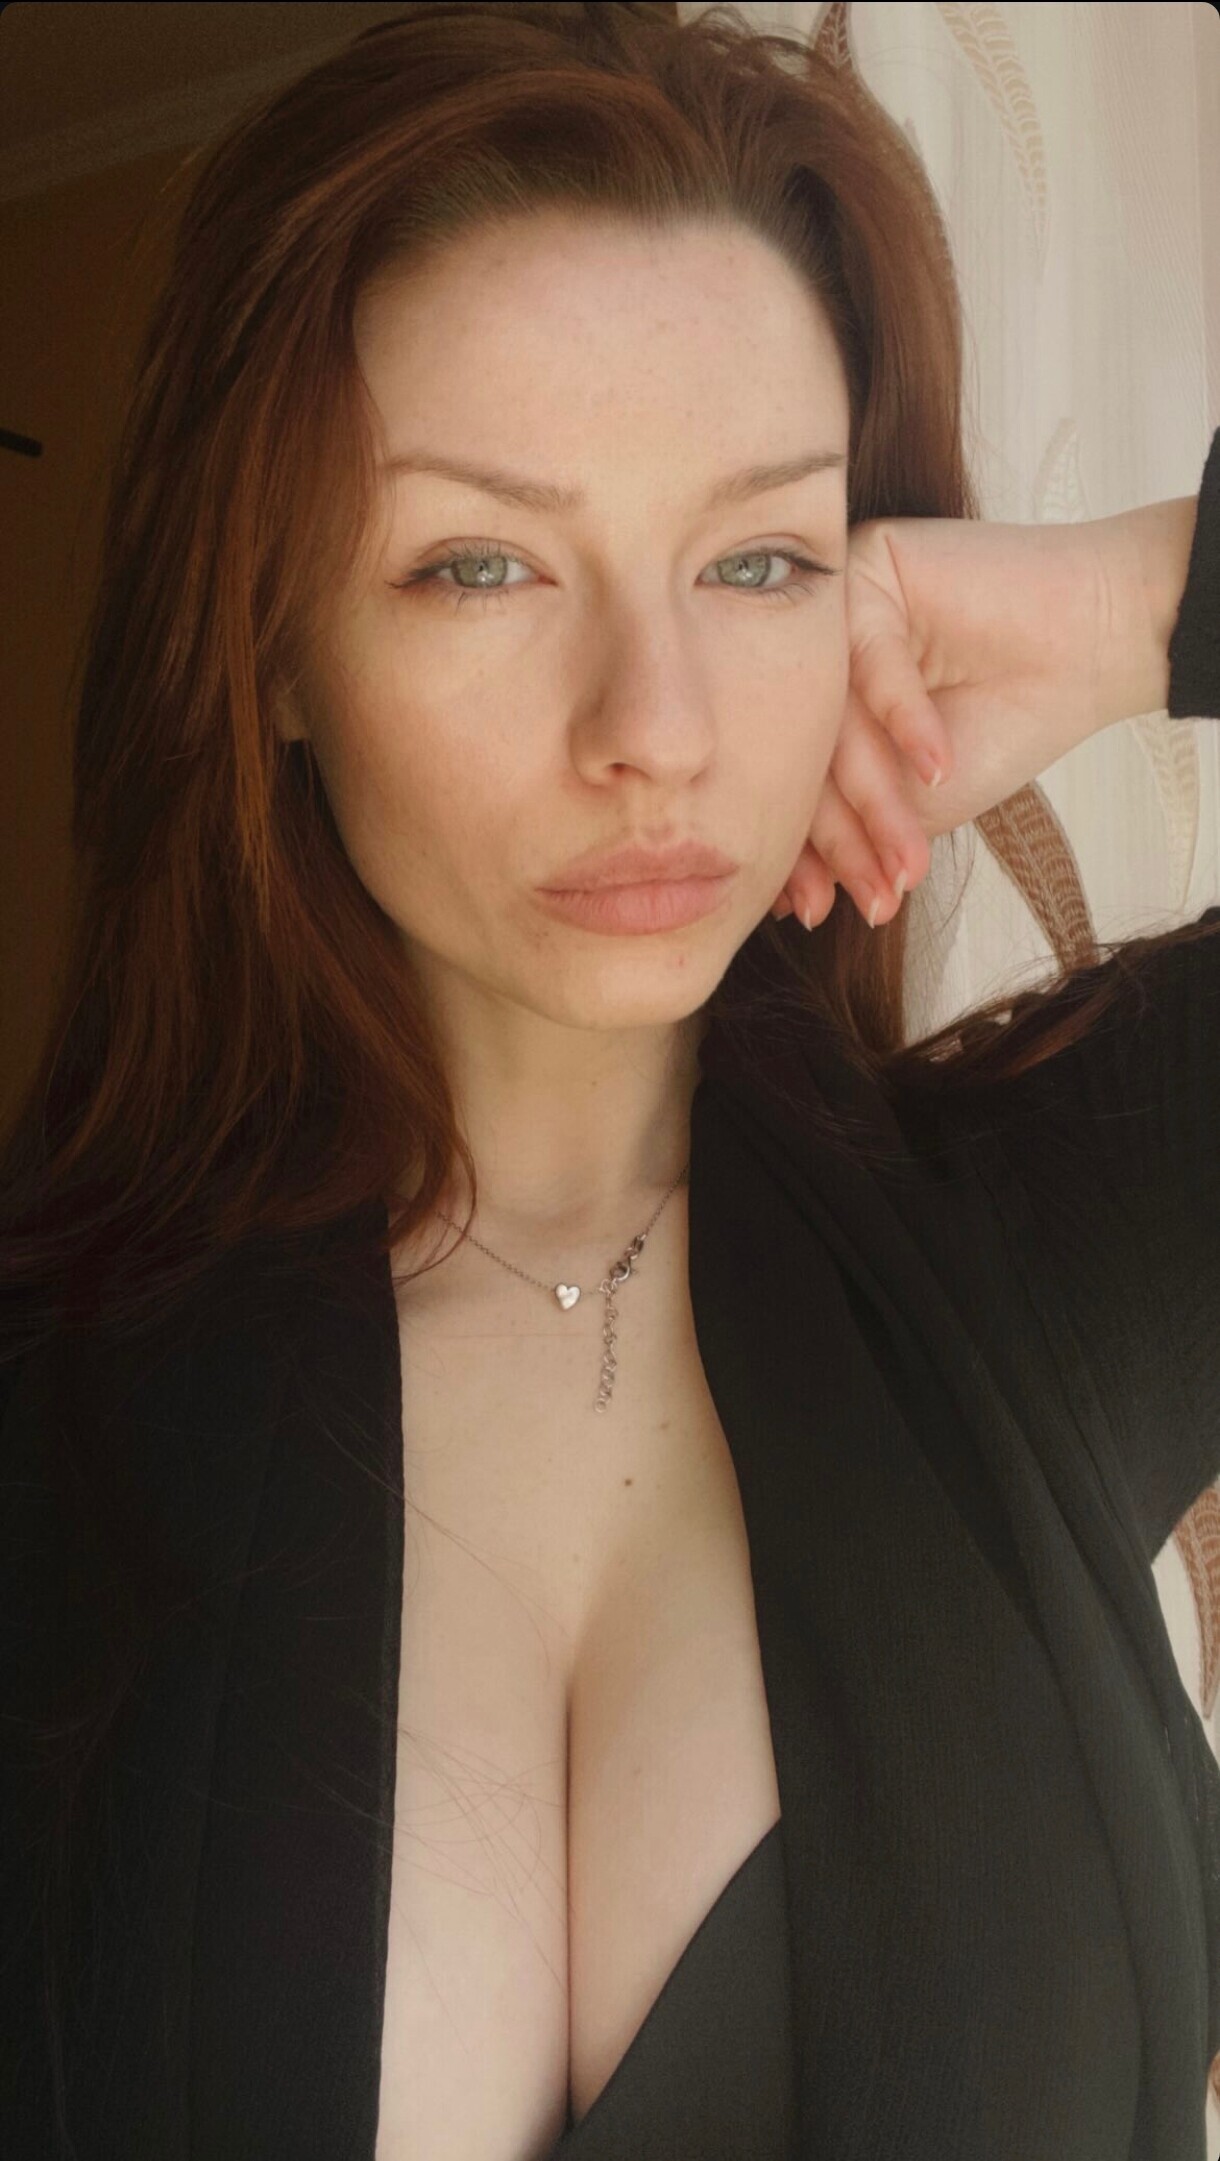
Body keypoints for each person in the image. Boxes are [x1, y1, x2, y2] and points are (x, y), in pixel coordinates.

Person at [1, 6, 1218, 2158]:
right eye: (479, 562)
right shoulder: (52, 1392)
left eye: (758, 559)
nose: (653, 723)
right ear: (269, 647)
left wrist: (1141, 603)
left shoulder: (1051, 1242)